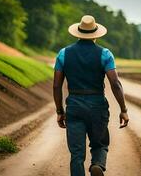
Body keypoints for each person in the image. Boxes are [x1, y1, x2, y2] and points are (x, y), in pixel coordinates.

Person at [53, 15, 129, 176]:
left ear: (78, 33)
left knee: (76, 154)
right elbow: (115, 84)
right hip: (97, 106)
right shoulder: (105, 54)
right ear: (96, 34)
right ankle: (97, 165)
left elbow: (56, 85)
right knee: (99, 144)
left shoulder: (63, 54)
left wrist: (60, 111)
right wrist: (123, 109)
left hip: (74, 105)